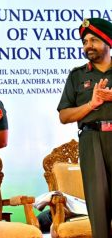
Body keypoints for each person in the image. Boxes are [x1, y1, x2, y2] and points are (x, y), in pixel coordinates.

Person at [57, 18, 112, 238]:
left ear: (108, 42)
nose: (88, 45)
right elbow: (64, 115)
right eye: (85, 41)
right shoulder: (77, 75)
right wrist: (92, 104)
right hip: (91, 141)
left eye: (94, 40)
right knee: (98, 206)